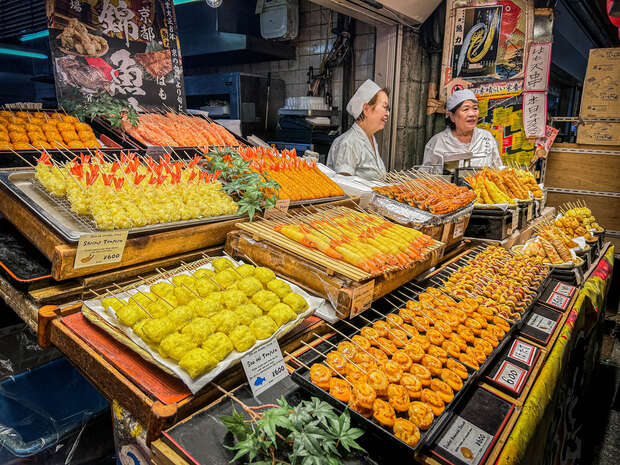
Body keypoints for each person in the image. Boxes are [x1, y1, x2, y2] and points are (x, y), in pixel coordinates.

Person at [422, 89, 504, 173]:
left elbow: (498, 169)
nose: (472, 114)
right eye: (466, 109)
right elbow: (425, 176)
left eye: (475, 108)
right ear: (452, 116)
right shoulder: (437, 142)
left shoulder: (486, 137)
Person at [327, 79, 389, 181]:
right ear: (366, 109)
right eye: (384, 107)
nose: (387, 114)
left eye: (388, 109)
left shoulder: (371, 138)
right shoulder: (349, 143)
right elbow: (345, 186)